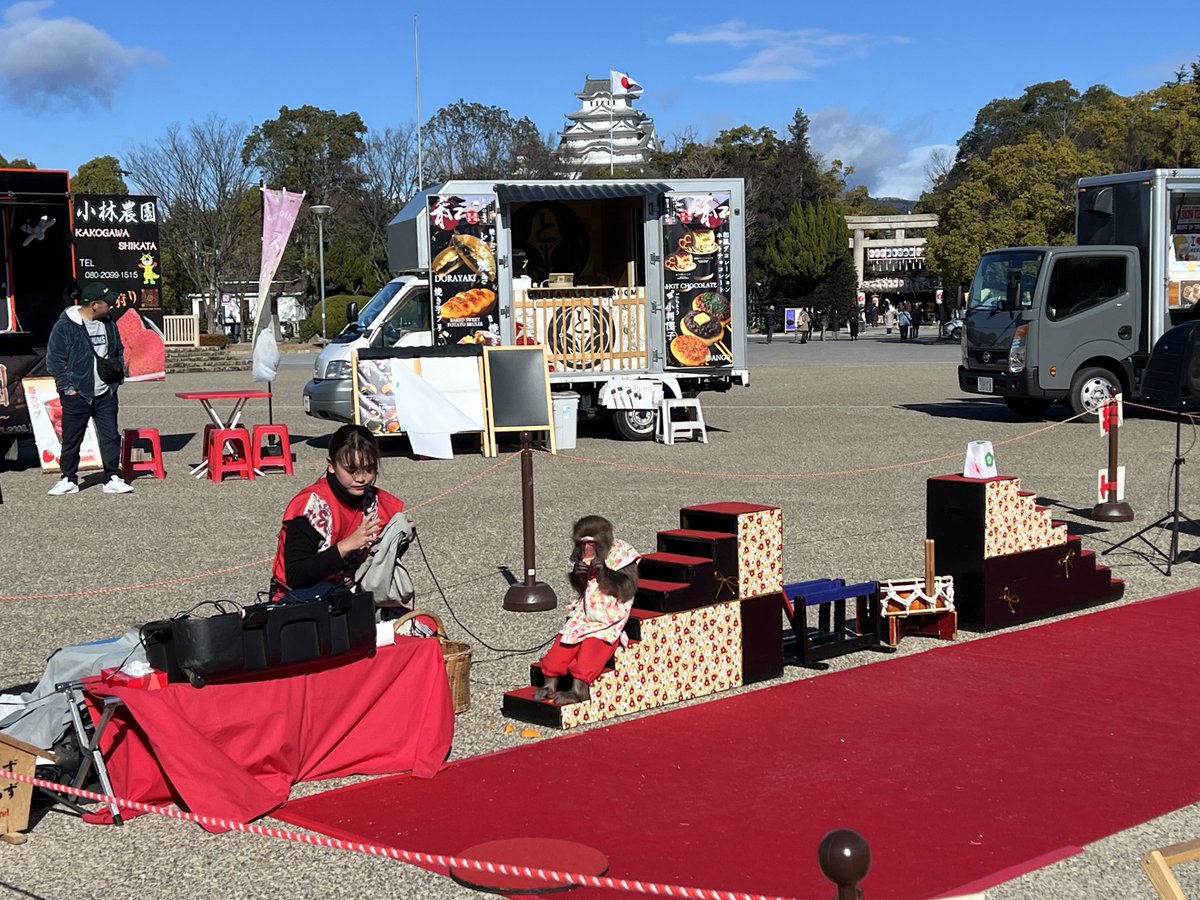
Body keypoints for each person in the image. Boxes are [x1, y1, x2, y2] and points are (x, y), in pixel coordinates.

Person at [271, 424, 406, 601]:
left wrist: (399, 535)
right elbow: (295, 575)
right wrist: (346, 545)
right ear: (331, 465)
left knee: (419, 625)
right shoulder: (310, 507)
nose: (361, 478)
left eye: (369, 469)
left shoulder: (381, 503)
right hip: (301, 598)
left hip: (356, 594)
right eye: (351, 470)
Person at [535, 515, 640, 706]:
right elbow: (582, 588)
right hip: (585, 613)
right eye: (582, 544)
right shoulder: (582, 553)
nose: (586, 550)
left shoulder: (622, 555)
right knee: (561, 646)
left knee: (591, 651)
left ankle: (579, 691)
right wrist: (578, 575)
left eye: (591, 544)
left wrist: (606, 573)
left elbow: (627, 590)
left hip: (609, 616)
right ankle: (549, 684)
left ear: (606, 537)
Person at [44, 282, 133, 495]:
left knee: (110, 435)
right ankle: (68, 478)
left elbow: (118, 350)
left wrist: (117, 375)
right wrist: (67, 387)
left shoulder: (109, 323)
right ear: (94, 304)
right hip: (77, 394)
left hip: (106, 392)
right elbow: (54, 361)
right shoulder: (65, 326)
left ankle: (112, 476)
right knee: (72, 437)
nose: (111, 307)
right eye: (107, 303)